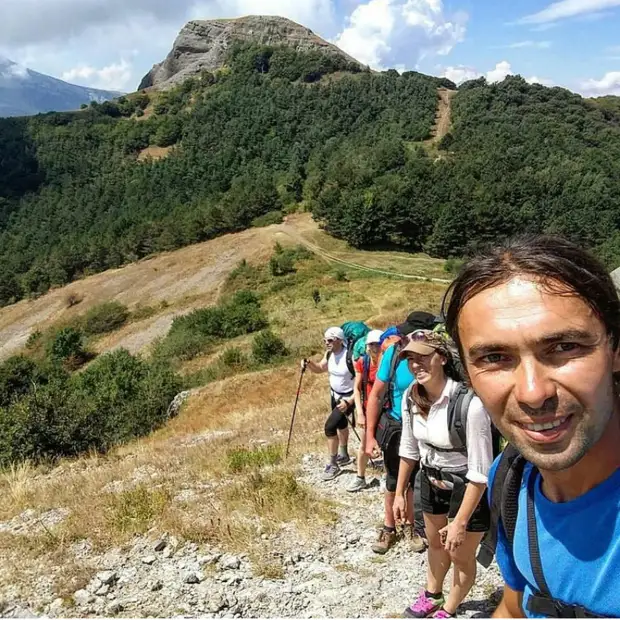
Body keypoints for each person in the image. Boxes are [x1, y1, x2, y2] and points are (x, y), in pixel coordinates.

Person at [444, 235, 620, 619]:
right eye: (494, 357)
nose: (533, 393)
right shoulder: (511, 480)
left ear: (615, 348)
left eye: (564, 347)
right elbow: (515, 606)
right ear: (468, 376)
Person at [394, 330, 493, 619]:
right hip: (431, 479)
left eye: (423, 357)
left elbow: (480, 471)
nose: (415, 365)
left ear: (442, 358)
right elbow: (408, 447)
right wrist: (400, 493)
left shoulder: (470, 405)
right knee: (436, 542)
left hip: (467, 486)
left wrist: (460, 521)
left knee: (459, 553)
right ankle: (432, 594)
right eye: (410, 358)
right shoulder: (411, 398)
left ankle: (449, 608)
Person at [365, 311, 436, 554]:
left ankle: (415, 525)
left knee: (421, 478)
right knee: (395, 478)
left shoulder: (438, 356)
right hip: (398, 425)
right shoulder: (394, 355)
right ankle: (389, 527)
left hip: (427, 426)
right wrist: (369, 436)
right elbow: (375, 395)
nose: (404, 336)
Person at [303, 327, 355, 481]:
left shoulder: (350, 356)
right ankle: (344, 454)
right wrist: (309, 363)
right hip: (335, 395)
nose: (327, 343)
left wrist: (350, 400)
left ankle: (333, 464)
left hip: (348, 397)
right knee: (341, 424)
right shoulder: (330, 354)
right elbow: (320, 368)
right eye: (325, 340)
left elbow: (360, 379)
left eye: (330, 340)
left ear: (339, 339)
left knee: (329, 427)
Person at [347, 329, 383, 493]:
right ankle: (360, 477)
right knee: (364, 444)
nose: (375, 348)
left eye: (378, 344)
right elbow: (356, 388)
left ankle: (388, 478)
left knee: (388, 444)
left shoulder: (389, 361)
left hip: (386, 409)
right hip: (369, 409)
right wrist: (359, 413)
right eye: (372, 345)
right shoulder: (363, 362)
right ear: (367, 346)